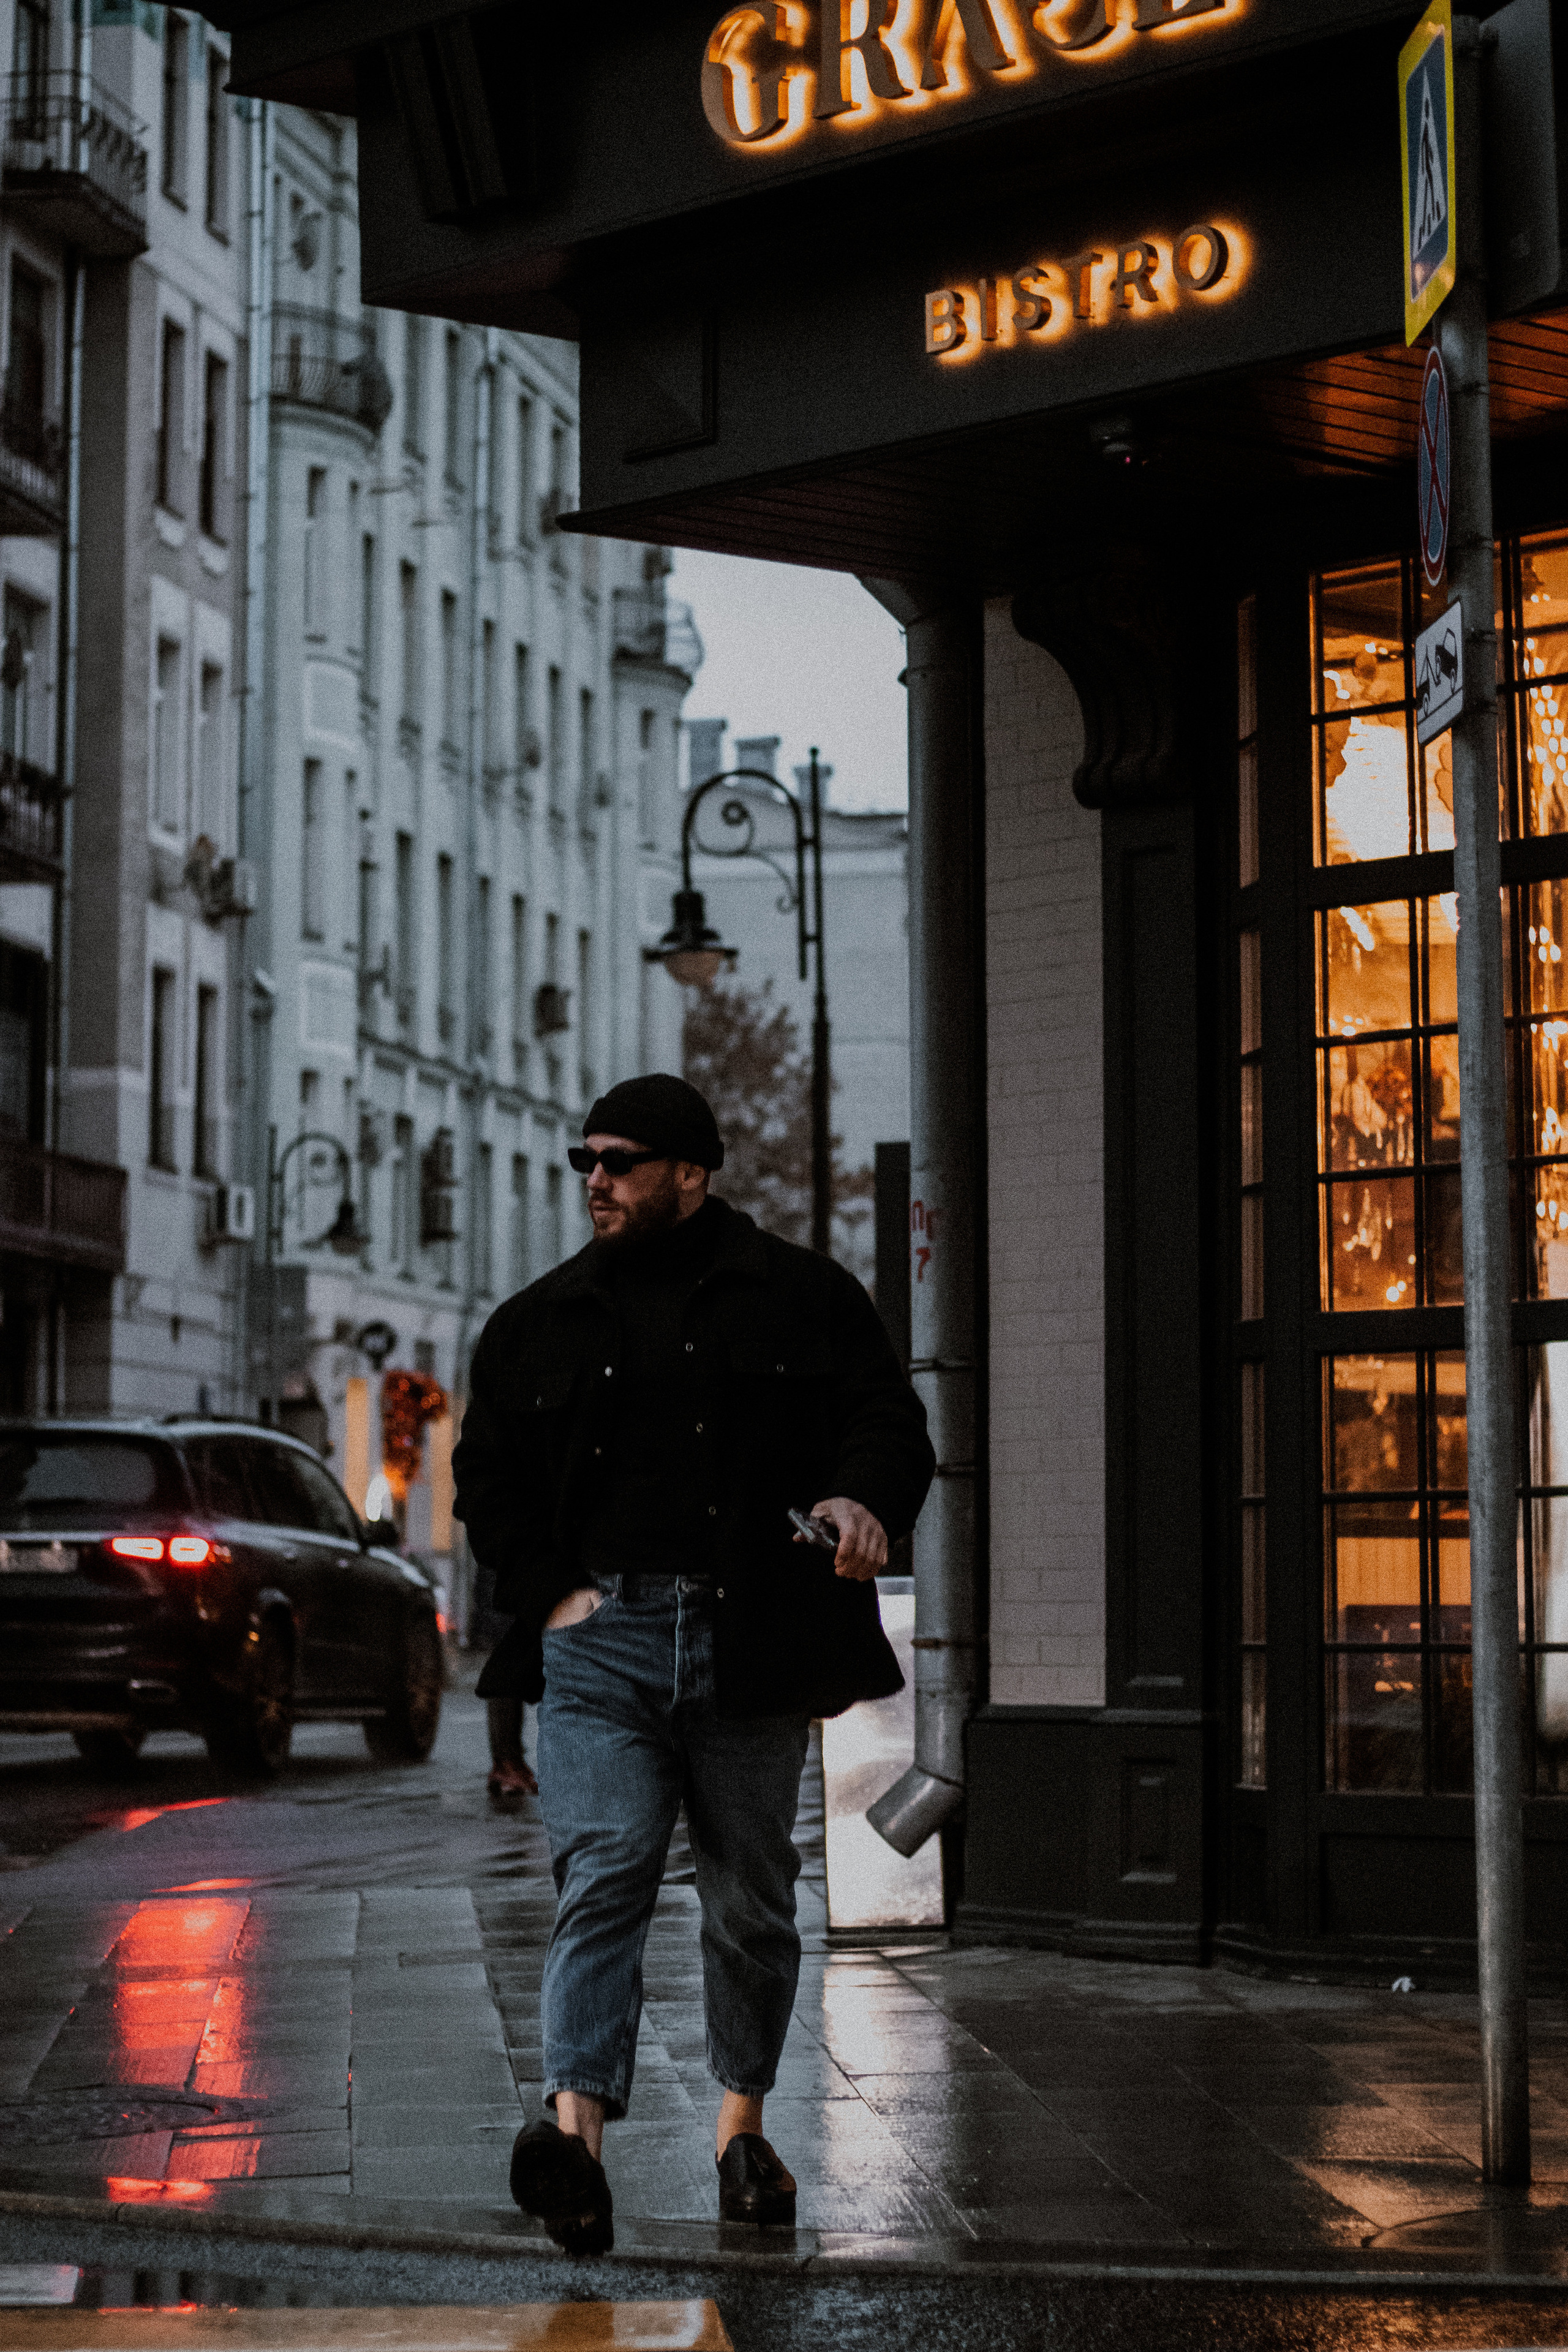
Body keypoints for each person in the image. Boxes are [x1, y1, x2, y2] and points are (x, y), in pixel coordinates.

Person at [453, 1072, 934, 2254]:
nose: (595, 1181)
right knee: (606, 1864)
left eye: (619, 1161)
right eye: (586, 1161)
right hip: (601, 1642)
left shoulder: (804, 1298)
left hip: (751, 1637)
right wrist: (551, 1592)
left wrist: (860, 1495)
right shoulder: (538, 1319)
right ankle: (575, 2148)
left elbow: (889, 1421)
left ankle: (742, 2133)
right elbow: (488, 1480)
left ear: (692, 1171)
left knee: (752, 1899)